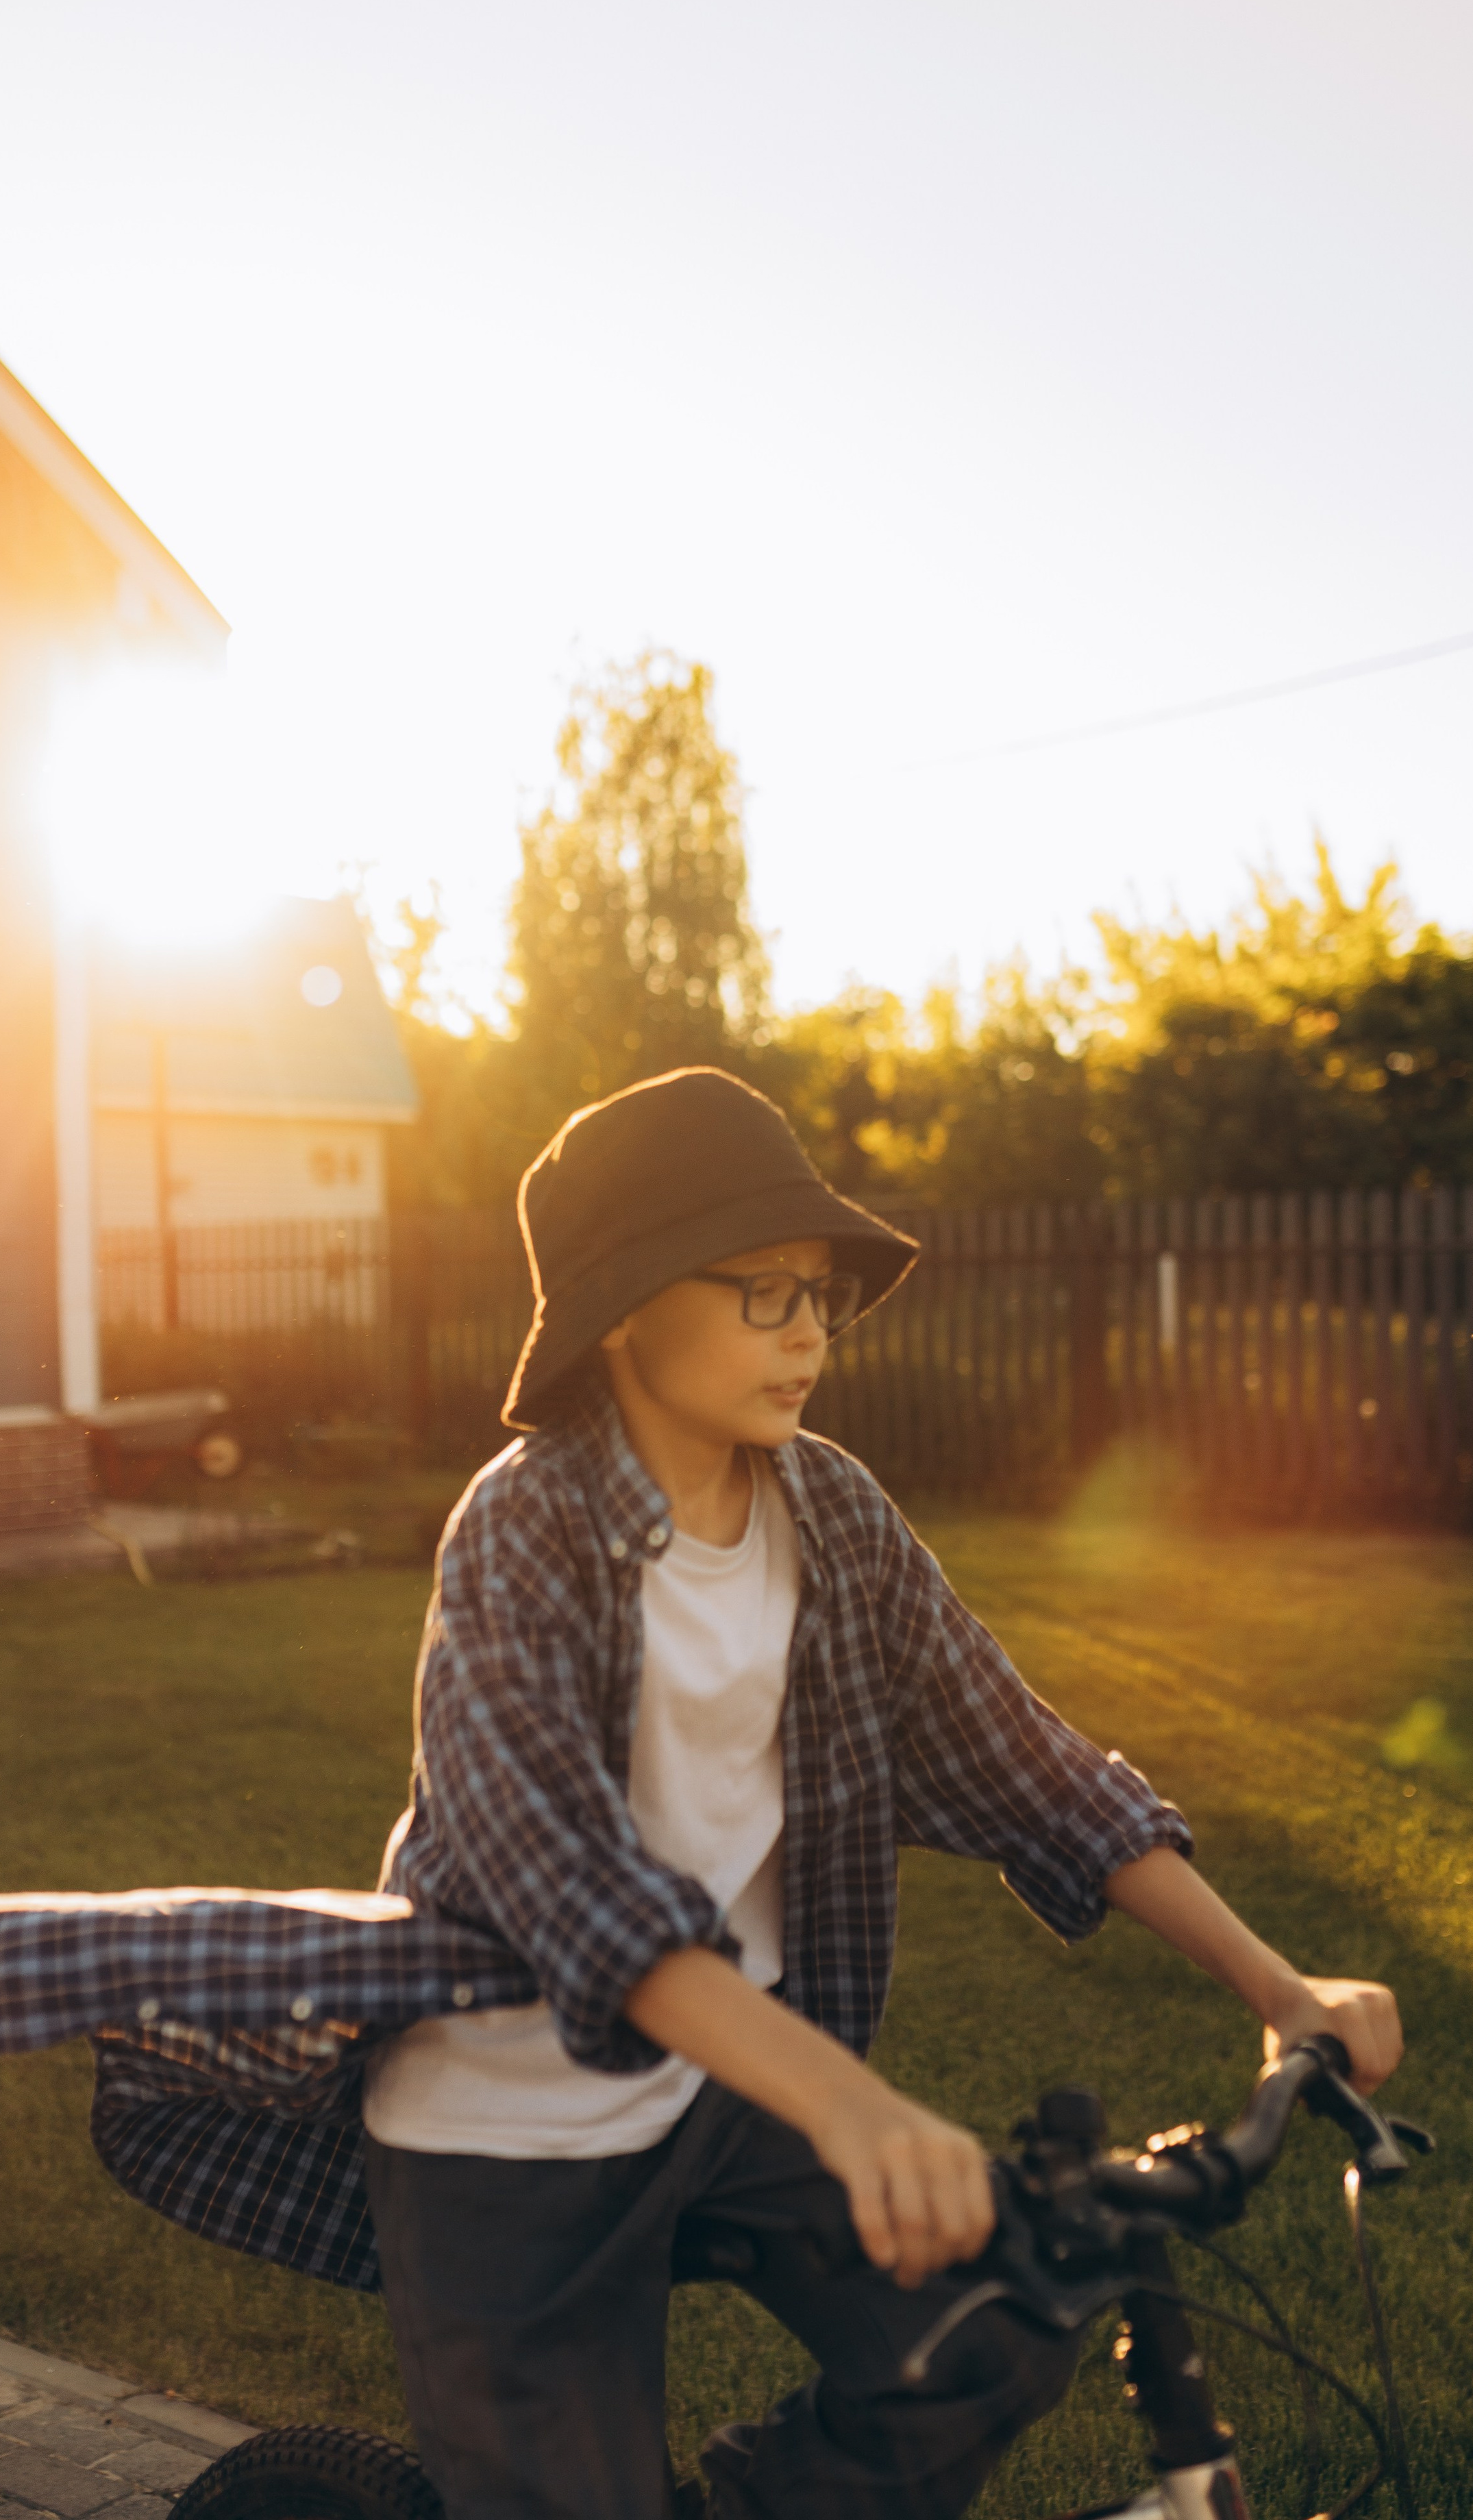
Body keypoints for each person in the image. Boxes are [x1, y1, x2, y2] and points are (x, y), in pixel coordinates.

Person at [357, 1066, 1402, 2520]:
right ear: (625, 1300)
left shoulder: (828, 1510)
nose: (808, 1333)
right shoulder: (520, 1529)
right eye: (761, 1291)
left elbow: (1021, 1763)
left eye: (822, 1295)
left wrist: (1277, 1984)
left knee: (1012, 2308)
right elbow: (571, 1890)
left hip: (722, 2094)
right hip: (509, 2133)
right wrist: (851, 2109)